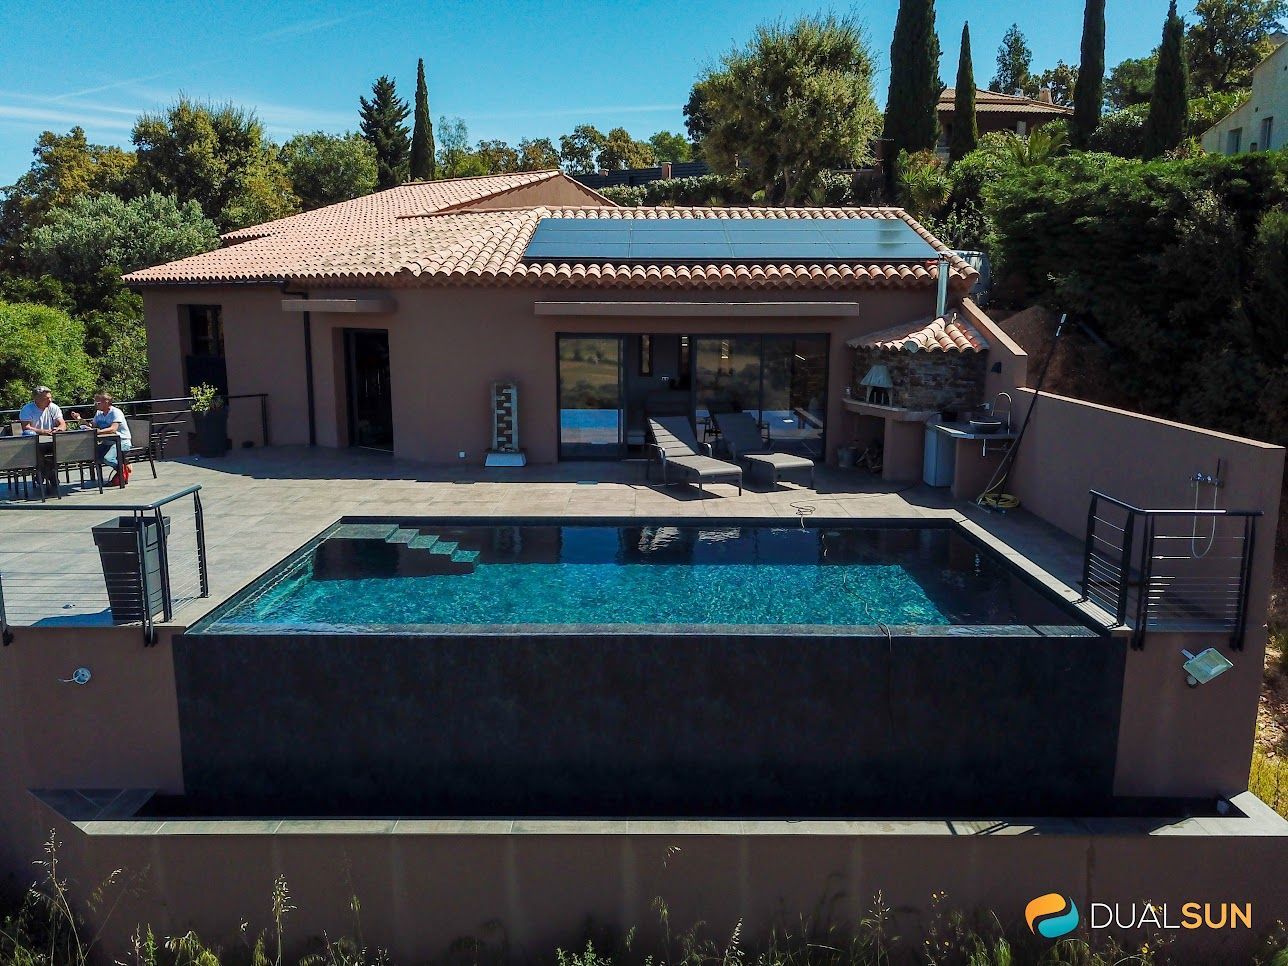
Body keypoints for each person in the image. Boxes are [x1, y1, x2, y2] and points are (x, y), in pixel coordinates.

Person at [70, 392, 132, 487]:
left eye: (98, 403)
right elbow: (91, 426)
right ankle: (123, 467)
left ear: (106, 402)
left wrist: (98, 432)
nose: (95, 404)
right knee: (94, 456)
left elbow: (113, 429)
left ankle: (123, 469)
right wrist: (79, 418)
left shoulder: (116, 412)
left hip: (122, 441)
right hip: (107, 442)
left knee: (108, 459)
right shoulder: (99, 413)